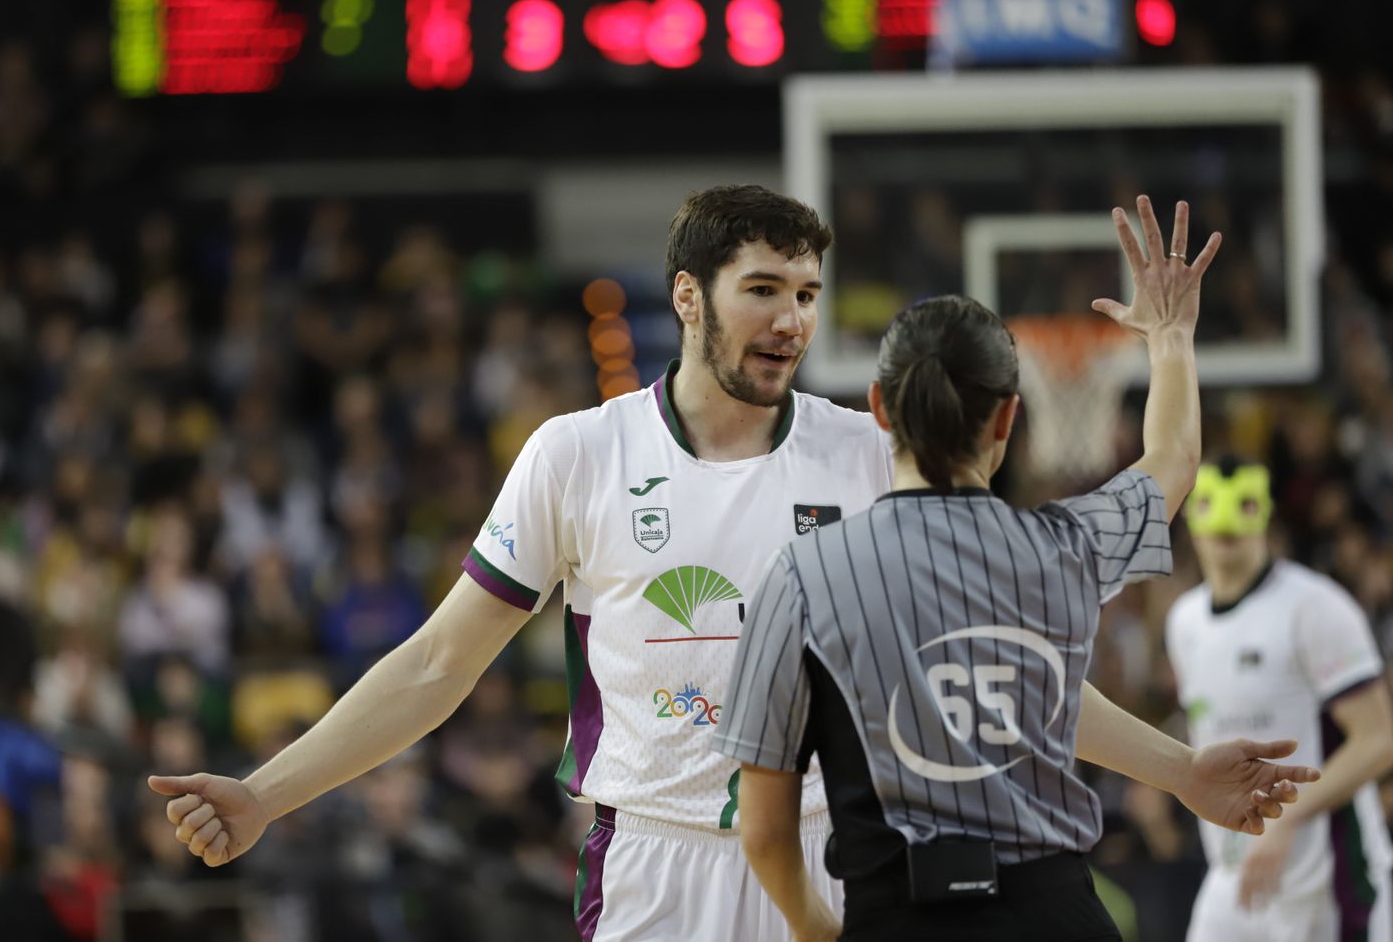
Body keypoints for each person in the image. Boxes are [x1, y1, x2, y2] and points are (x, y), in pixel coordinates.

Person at [151, 189, 1312, 942]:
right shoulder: (576, 453)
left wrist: (1173, 768)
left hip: (834, 865)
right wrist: (265, 793)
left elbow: (999, 670)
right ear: (689, 297)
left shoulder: (868, 454)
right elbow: (435, 665)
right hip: (654, 864)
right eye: (765, 289)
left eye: (807, 295)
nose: (792, 318)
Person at [715, 197, 1319, 942]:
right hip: (1060, 918)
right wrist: (1169, 336)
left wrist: (817, 931)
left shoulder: (803, 577)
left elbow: (766, 834)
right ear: (1006, 421)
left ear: (878, 408)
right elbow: (1173, 460)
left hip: (899, 915)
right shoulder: (1064, 547)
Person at [1167, 456, 1393, 942]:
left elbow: (1379, 740)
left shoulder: (1315, 607)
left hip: (1324, 881)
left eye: (1243, 504)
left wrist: (1292, 816)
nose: (1226, 524)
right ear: (1190, 515)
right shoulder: (1183, 622)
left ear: (1265, 512)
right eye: (1210, 504)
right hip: (1230, 873)